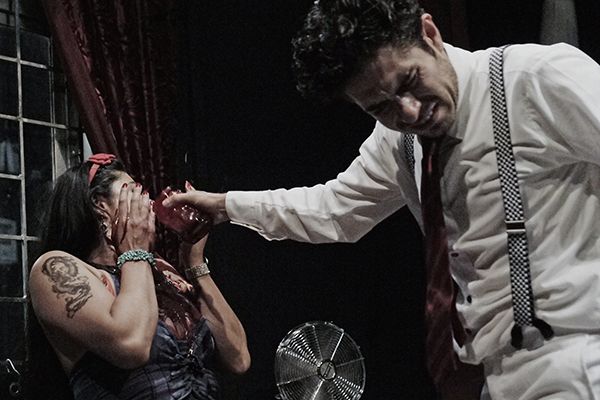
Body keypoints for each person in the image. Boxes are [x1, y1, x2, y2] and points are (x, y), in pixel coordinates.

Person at [161, 0, 600, 399]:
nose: (408, 111)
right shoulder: (399, 141)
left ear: (430, 34)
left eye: (410, 81)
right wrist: (225, 207)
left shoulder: (535, 78)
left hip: (580, 357)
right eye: (380, 107)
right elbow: (335, 211)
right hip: (495, 373)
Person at [27, 154, 250, 400]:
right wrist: (135, 252)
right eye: (134, 193)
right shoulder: (55, 268)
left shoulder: (157, 270)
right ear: (100, 205)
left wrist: (194, 262)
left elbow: (238, 358)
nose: (148, 202)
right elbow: (132, 345)